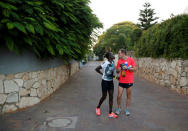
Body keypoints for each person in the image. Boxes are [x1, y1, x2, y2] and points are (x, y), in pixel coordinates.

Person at [95, 52, 118, 118]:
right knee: (104, 96)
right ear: (109, 57)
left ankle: (110, 113)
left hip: (111, 82)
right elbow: (96, 69)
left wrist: (116, 78)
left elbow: (111, 74)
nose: (113, 55)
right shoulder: (105, 63)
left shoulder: (113, 62)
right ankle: (98, 107)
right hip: (104, 82)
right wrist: (102, 74)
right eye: (112, 54)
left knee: (111, 96)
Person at [115, 49, 136, 116]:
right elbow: (117, 71)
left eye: (119, 53)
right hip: (121, 81)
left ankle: (127, 109)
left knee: (128, 96)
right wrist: (120, 69)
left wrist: (127, 68)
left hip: (129, 81)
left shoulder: (131, 60)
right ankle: (118, 108)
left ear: (123, 54)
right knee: (119, 95)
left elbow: (135, 69)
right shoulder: (119, 61)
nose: (118, 54)